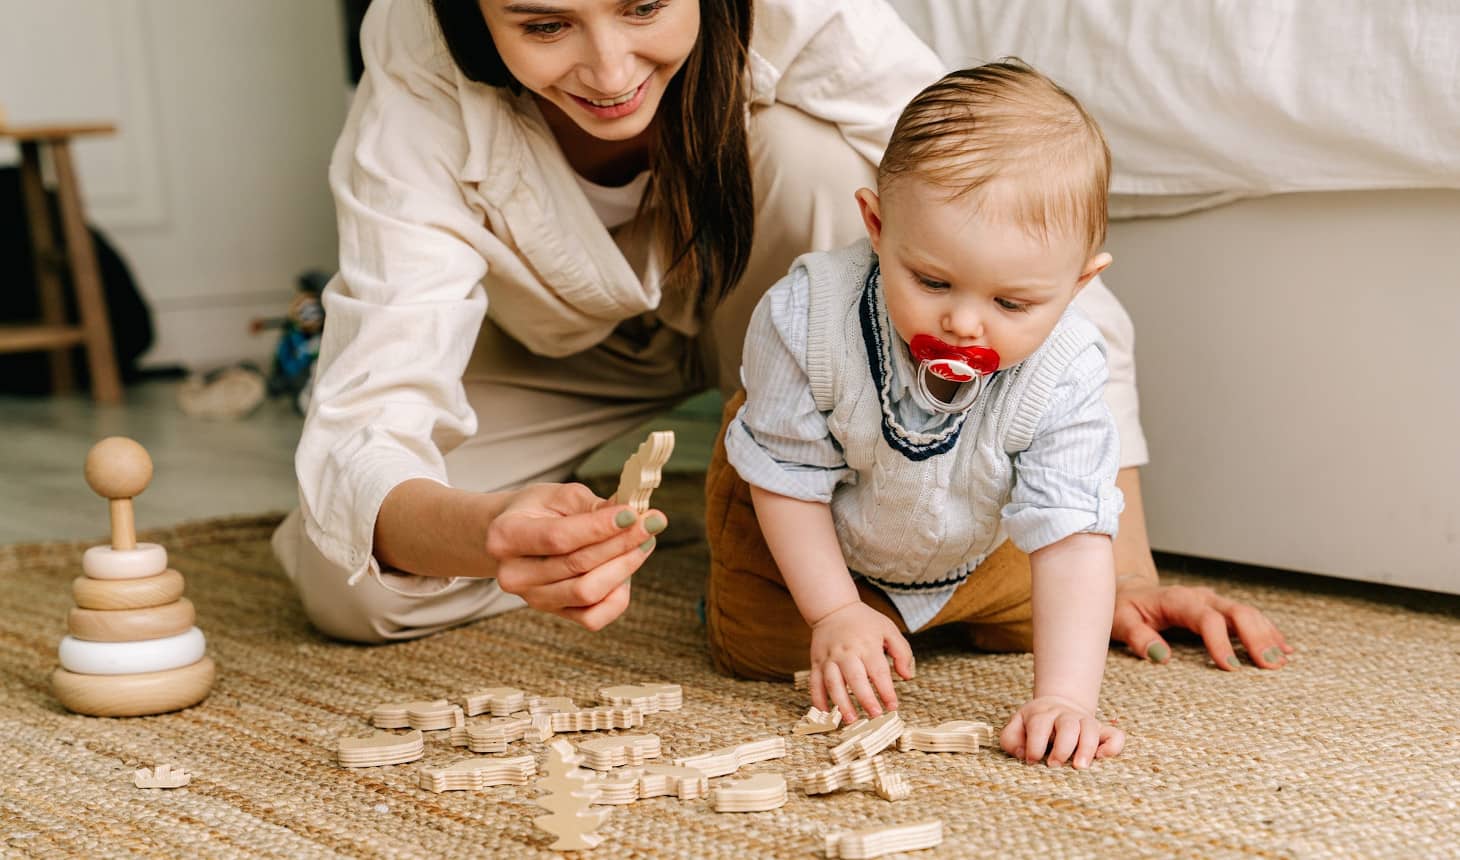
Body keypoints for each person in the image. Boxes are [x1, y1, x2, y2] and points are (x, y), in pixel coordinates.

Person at [270, 0, 1292, 685]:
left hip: (784, 311)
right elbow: (367, 420)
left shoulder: (801, 15)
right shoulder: (413, 72)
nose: (609, 69)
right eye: (541, 23)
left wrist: (1126, 569)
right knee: (351, 586)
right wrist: (486, 529)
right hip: (550, 350)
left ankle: (842, 550)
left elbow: (1022, 237)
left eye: (642, 4)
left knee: (812, 157)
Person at [705, 61, 1286, 768]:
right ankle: (835, 605)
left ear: (1078, 285)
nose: (962, 323)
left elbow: (1070, 531)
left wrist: (1068, 698)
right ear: (877, 225)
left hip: (972, 534)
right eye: (931, 280)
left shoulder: (1069, 364)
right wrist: (833, 612)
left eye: (1011, 304)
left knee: (1068, 610)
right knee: (763, 648)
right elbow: (789, 475)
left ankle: (941, 614)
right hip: (809, 516)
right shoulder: (806, 317)